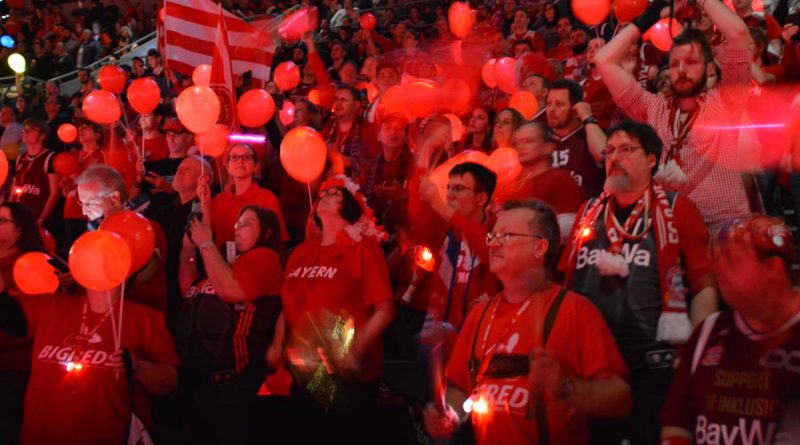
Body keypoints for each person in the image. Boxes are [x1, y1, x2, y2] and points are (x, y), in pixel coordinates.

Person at [423, 199, 632, 444]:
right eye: (493, 235)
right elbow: (461, 389)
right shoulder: (479, 315)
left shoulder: (576, 311)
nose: (492, 243)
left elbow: (622, 399)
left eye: (506, 235)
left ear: (540, 247)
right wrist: (448, 416)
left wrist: (565, 388)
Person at [559, 121, 717, 445]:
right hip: (591, 362)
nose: (614, 158)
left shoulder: (677, 210)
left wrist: (689, 356)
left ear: (652, 160)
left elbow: (704, 286)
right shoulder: (588, 211)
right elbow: (566, 283)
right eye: (610, 151)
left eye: (626, 149)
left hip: (652, 363)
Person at [594, 0, 752, 232]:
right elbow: (603, 60)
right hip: (671, 229)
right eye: (675, 63)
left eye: (691, 62)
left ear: (709, 69)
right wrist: (651, 15)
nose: (682, 70)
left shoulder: (726, 101)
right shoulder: (653, 107)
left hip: (725, 230)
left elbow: (738, 34)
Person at [661, 215, 800, 444]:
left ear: (772, 267)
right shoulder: (709, 333)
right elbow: (676, 424)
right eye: (717, 259)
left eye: (731, 260)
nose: (719, 269)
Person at [279, 175, 395, 443]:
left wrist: (353, 353)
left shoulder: (363, 249)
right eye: (324, 193)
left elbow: (385, 310)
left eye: (335, 194)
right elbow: (285, 305)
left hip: (346, 375)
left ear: (351, 208)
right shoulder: (301, 253)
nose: (325, 196)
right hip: (303, 371)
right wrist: (277, 345)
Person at [177, 205, 284, 445]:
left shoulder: (265, 258)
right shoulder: (225, 264)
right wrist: (187, 249)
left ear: (266, 232)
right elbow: (188, 290)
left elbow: (231, 290)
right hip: (197, 380)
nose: (238, 229)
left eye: (247, 223)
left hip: (230, 385)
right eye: (237, 224)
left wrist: (206, 244)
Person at [76, 164, 169, 313]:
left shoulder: (146, 229)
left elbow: (147, 274)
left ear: (114, 198)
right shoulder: (90, 235)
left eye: (89, 203)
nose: (83, 210)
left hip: (136, 316)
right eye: (81, 203)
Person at [0, 203, 48, 444]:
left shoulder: (32, 265)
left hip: (14, 371)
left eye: (1, 221)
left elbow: (26, 327)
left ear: (20, 230)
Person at [495, 122, 584, 236]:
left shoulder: (561, 179)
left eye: (529, 141)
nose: (520, 147)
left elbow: (569, 226)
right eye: (517, 143)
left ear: (548, 147)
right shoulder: (512, 186)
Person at [208, 143, 289, 251]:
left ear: (256, 166)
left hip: (254, 262)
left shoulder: (267, 198)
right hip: (219, 263)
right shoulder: (218, 200)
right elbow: (205, 235)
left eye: (246, 157)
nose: (240, 161)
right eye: (234, 157)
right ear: (228, 167)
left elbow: (278, 241)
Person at [545, 79, 606, 199]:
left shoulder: (591, 134)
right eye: (548, 103)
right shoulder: (543, 140)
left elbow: (603, 154)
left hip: (586, 213)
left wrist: (587, 118)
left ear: (576, 108)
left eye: (559, 104)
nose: (551, 109)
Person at [9, 119, 60, 227]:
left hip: (37, 217)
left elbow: (54, 193)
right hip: (19, 216)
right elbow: (13, 189)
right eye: (25, 130)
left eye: (31, 130)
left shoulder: (50, 157)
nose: (26, 133)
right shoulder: (20, 158)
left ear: (42, 136)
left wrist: (42, 218)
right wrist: (9, 213)